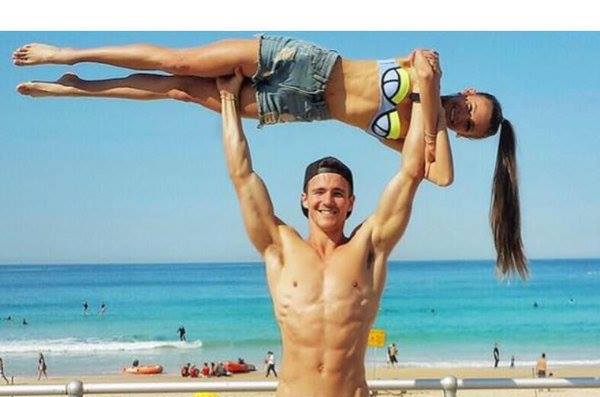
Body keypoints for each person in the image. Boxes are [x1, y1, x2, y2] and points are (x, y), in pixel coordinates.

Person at [12, 36, 526, 277]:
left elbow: (441, 178)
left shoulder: (417, 128)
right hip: (304, 63)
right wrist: (432, 98)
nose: (460, 116)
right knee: (180, 62)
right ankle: (69, 54)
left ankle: (76, 89)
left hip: (302, 108)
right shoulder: (426, 68)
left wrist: (434, 112)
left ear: (464, 136)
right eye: (468, 107)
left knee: (182, 92)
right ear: (470, 92)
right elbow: (425, 67)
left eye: (467, 125)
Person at [218, 63, 431, 397]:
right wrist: (228, 101)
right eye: (319, 191)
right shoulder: (278, 246)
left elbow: (411, 172)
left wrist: (423, 93)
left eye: (337, 192)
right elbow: (242, 175)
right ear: (303, 199)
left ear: (352, 202)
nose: (327, 199)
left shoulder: (369, 247)